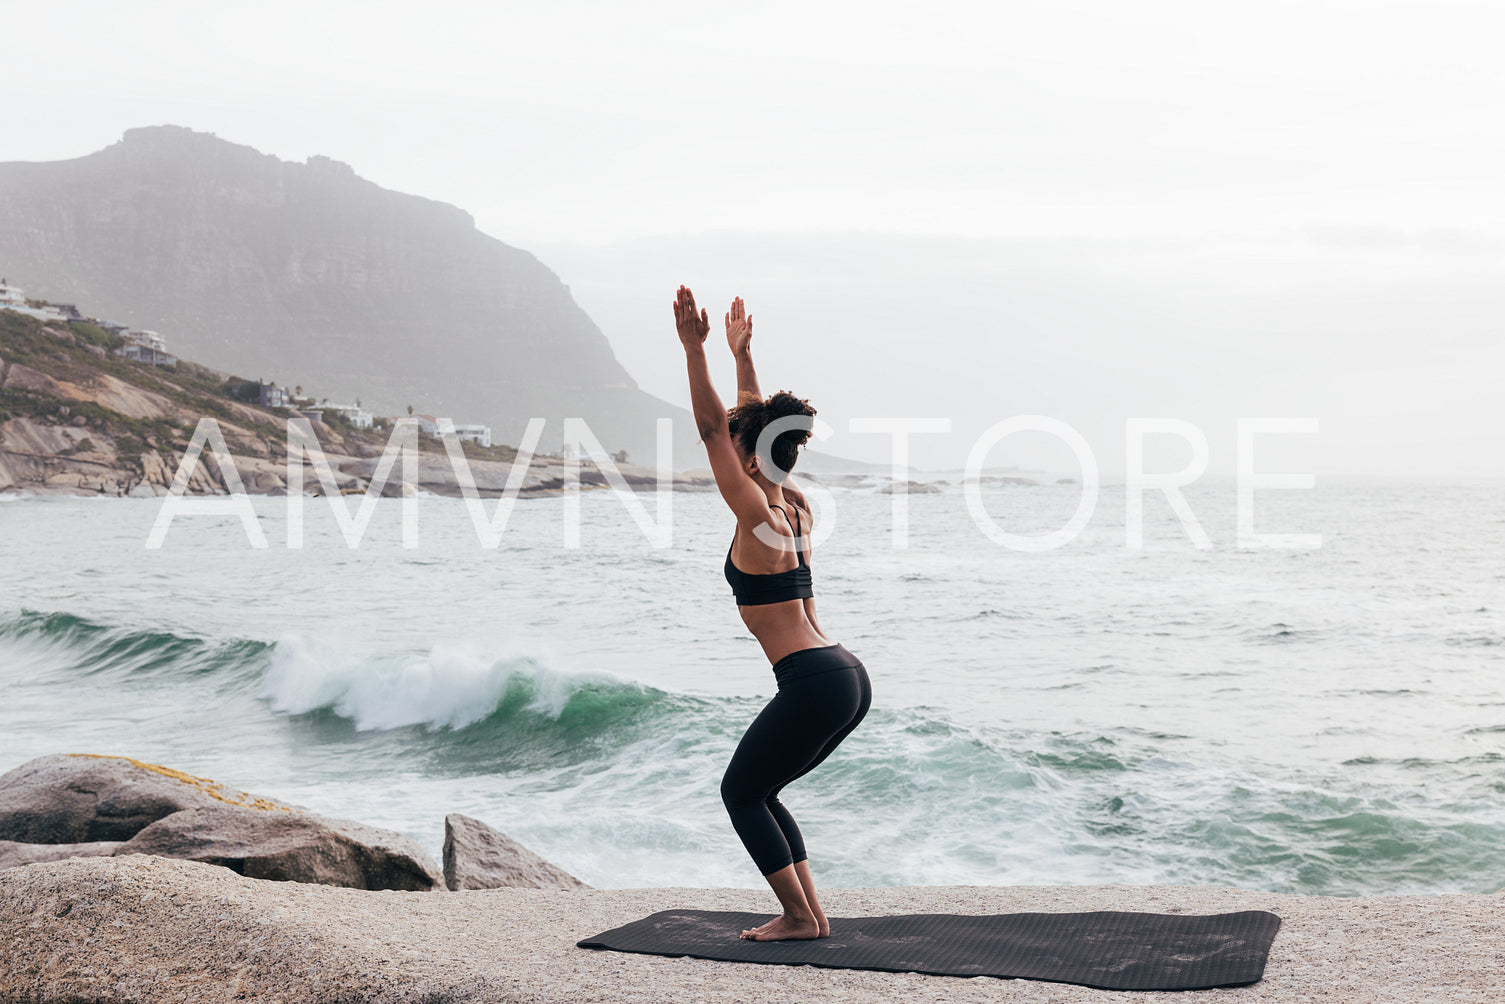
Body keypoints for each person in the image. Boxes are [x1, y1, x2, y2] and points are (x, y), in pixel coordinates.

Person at [672, 285, 873, 942]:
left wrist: (693, 350)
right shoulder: (794, 505)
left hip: (814, 681)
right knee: (762, 791)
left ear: (746, 455)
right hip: (844, 674)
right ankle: (808, 917)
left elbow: (711, 430)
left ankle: (795, 915)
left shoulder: (756, 513)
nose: (726, 446)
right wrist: (743, 356)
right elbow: (754, 427)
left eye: (737, 444)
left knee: (741, 795)